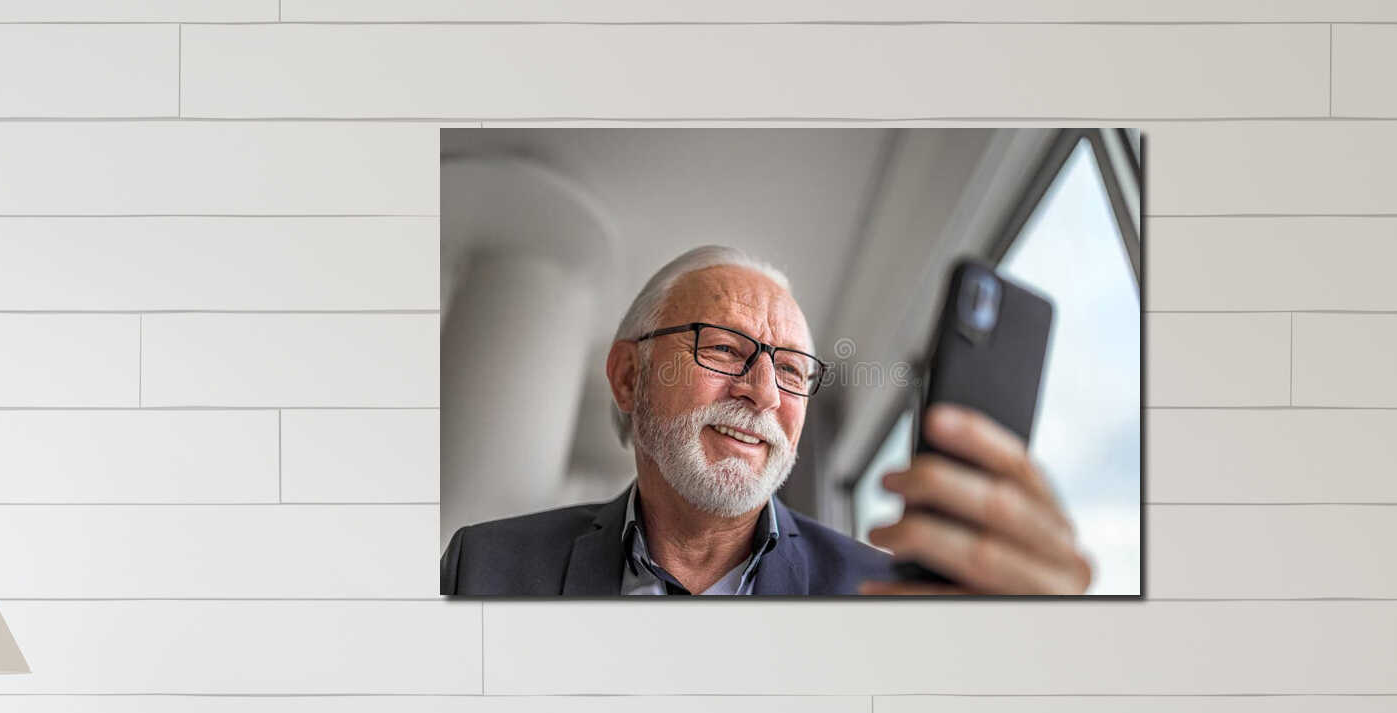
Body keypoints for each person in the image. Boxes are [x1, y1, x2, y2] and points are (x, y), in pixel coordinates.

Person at [439, 245, 1093, 597]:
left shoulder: (880, 595)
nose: (762, 393)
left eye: (792, 370)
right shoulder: (484, 566)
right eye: (723, 349)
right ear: (629, 376)